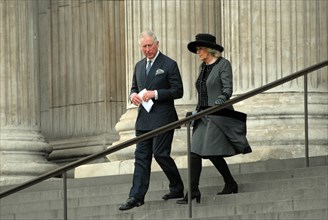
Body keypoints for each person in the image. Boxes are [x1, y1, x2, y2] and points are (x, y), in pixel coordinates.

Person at [177, 33, 252, 204]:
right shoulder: (202, 67)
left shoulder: (223, 64)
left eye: (200, 49)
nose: (198, 52)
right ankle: (194, 191)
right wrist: (195, 113)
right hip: (202, 115)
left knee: (211, 152)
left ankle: (230, 183)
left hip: (218, 114)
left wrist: (220, 100)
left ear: (209, 50)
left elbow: (227, 88)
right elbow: (202, 92)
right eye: (197, 49)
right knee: (194, 152)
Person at [119, 30, 185, 211]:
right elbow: (134, 87)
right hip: (143, 119)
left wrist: (155, 94)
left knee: (160, 154)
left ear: (157, 44)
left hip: (164, 118)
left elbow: (178, 91)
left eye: (150, 45)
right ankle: (136, 196)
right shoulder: (139, 66)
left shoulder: (169, 64)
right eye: (144, 46)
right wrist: (132, 95)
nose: (147, 49)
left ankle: (177, 187)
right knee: (141, 157)